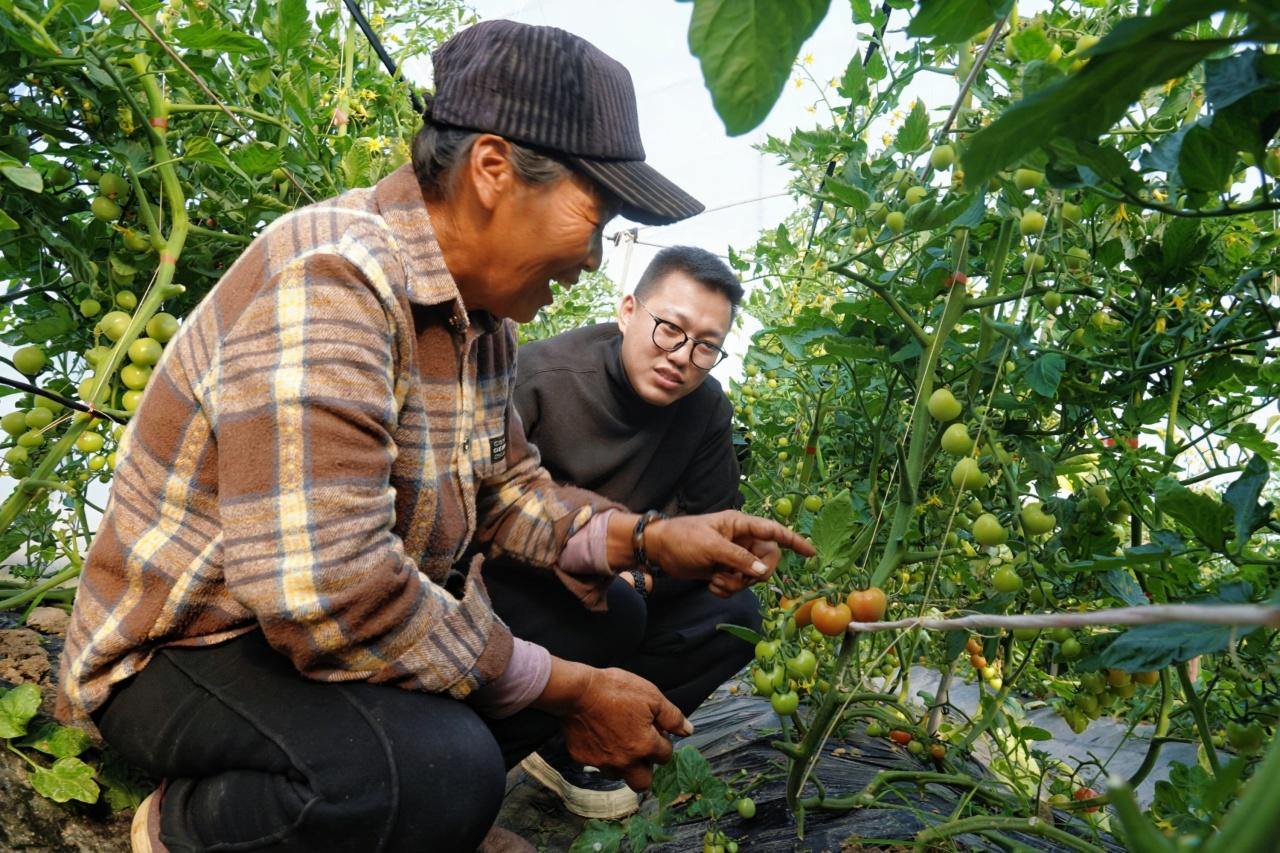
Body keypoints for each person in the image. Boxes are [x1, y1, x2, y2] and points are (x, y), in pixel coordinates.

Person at [55, 21, 813, 853]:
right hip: (193, 644)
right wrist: (565, 688)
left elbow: (507, 489)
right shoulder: (334, 278)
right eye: (595, 218)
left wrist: (649, 540)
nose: (596, 260)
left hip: (307, 621)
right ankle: (189, 824)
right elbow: (331, 591)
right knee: (440, 770)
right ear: (493, 170)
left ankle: (418, 817)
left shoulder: (479, 323)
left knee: (605, 614)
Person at [484, 246, 755, 819]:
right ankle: (487, 757)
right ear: (628, 311)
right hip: (516, 577)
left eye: (706, 346)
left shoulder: (705, 409)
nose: (682, 356)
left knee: (733, 616)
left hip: (632, 574)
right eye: (669, 329)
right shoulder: (539, 378)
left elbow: (711, 528)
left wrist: (652, 574)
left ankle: (567, 749)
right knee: (616, 609)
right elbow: (479, 517)